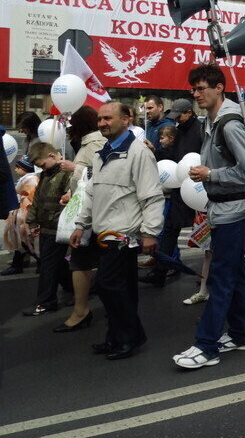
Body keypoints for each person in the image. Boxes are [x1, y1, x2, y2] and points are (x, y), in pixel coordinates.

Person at [172, 64, 245, 369]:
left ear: (219, 88)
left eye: (202, 88)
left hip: (233, 211)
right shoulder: (212, 121)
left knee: (220, 279)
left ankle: (206, 345)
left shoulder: (229, 124)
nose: (197, 94)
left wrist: (212, 174)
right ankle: (241, 334)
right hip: (224, 209)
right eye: (193, 89)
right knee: (234, 274)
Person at [70, 102, 163, 361]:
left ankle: (132, 335)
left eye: (108, 118)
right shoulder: (102, 153)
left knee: (107, 284)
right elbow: (91, 193)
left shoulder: (139, 153)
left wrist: (150, 233)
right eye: (100, 119)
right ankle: (117, 337)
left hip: (124, 235)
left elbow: (152, 196)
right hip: (103, 233)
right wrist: (81, 224)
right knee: (124, 288)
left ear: (126, 119)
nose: (102, 124)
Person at [52, 106, 106, 332]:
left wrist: (76, 169)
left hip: (93, 212)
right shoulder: (90, 143)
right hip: (90, 210)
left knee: (82, 262)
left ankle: (82, 311)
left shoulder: (93, 144)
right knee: (84, 262)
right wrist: (72, 192)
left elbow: (99, 175)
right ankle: (83, 310)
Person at [142, 98, 203, 289]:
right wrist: (157, 152)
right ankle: (160, 271)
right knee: (169, 230)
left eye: (179, 116)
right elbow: (174, 158)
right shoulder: (180, 130)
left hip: (199, 188)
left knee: (208, 236)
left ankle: (208, 275)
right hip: (180, 186)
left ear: (189, 113)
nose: (177, 120)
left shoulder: (199, 131)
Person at [23, 142, 73, 317]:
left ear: (52, 156)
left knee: (48, 265)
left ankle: (46, 302)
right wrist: (33, 221)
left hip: (59, 227)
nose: (41, 168)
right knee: (56, 263)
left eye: (42, 164)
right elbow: (37, 199)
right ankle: (74, 288)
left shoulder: (67, 172)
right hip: (47, 226)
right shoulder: (45, 174)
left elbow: (72, 197)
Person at [2, 157, 38, 276]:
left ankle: (40, 261)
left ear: (26, 168)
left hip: (24, 213)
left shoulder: (30, 179)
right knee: (22, 240)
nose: (15, 169)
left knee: (25, 240)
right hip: (21, 212)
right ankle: (17, 264)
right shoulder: (28, 178)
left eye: (18, 167)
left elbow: (27, 195)